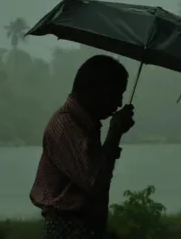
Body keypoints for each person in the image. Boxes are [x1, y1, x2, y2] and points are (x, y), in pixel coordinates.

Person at [30, 55, 136, 239]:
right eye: (116, 94)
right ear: (96, 90)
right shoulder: (66, 126)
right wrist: (115, 133)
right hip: (67, 230)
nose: (119, 103)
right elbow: (96, 183)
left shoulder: (85, 126)